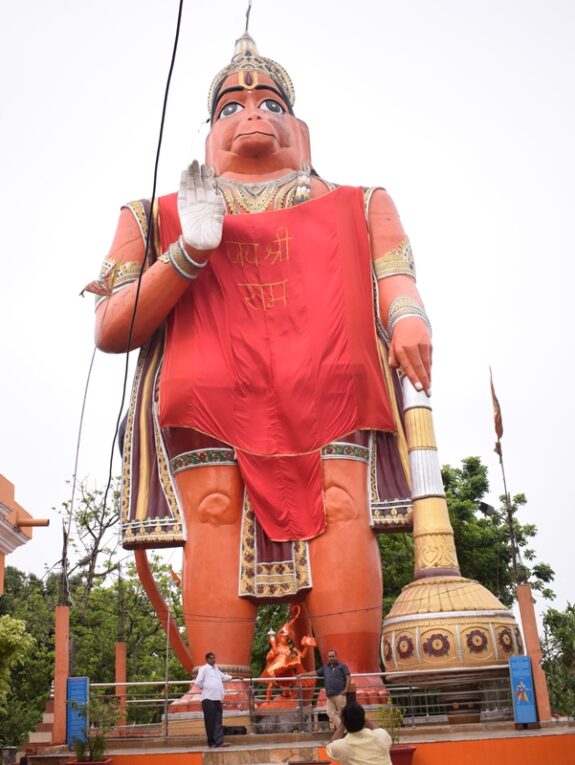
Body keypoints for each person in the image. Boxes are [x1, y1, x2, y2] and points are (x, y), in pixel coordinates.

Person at [90, 31, 432, 685]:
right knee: (214, 517)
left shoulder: (360, 203)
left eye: (269, 102)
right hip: (208, 392)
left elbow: (397, 280)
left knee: (339, 512)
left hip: (330, 385)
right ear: (209, 133)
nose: (251, 112)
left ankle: (354, 680)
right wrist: (188, 251)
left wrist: (410, 319)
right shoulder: (154, 214)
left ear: (297, 128)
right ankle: (222, 688)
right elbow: (111, 325)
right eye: (230, 106)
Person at [326, 702, 392, 765]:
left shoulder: (342, 746)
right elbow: (377, 729)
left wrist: (342, 722)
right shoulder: (381, 735)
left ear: (344, 722)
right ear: (363, 718)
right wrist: (360, 716)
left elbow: (330, 746)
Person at [300, 649, 350, 728]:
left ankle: (345, 729)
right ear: (328, 657)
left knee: (342, 713)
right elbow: (315, 673)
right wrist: (303, 675)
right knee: (330, 713)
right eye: (330, 656)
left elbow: (348, 677)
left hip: (340, 694)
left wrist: (346, 689)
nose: (331, 658)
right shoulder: (325, 667)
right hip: (330, 695)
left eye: (333, 656)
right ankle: (343, 728)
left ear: (336, 656)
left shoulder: (342, 666)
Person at [193, 652, 232, 747]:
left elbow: (223, 677)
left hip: (217, 698)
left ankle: (219, 742)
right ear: (207, 660)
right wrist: (206, 687)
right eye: (211, 658)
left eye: (214, 658)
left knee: (218, 720)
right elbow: (198, 682)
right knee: (210, 721)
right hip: (208, 698)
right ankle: (211, 742)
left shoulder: (216, 669)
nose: (213, 660)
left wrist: (235, 677)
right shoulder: (204, 669)